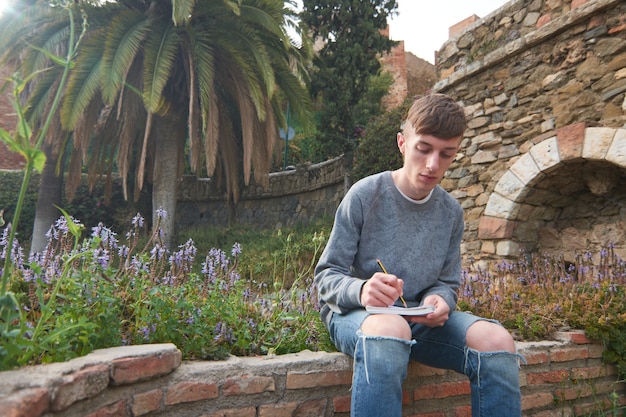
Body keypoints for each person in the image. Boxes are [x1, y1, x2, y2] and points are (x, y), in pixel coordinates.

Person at [314, 94, 522, 417]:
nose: (432, 165)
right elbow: (326, 276)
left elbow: (447, 283)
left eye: (446, 154)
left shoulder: (451, 213)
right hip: (357, 315)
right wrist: (362, 289)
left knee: (497, 340)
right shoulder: (364, 195)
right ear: (402, 143)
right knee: (390, 331)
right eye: (423, 149)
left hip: (420, 321)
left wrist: (441, 301)